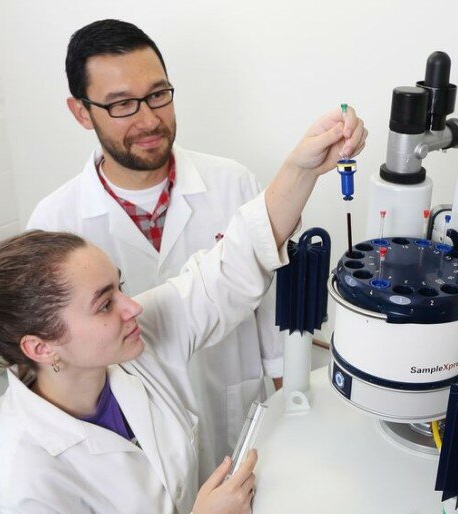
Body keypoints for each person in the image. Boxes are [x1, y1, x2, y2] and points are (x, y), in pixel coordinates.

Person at [0, 108, 366, 514]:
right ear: (41, 348)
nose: (130, 305)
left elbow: (225, 270)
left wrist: (303, 166)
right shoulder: (25, 485)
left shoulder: (124, 354)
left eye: (118, 286)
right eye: (105, 303)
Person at [27, 19, 283, 481]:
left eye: (158, 94)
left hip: (235, 408)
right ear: (82, 112)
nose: (149, 119)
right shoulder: (54, 221)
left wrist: (288, 410)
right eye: (122, 104)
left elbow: (273, 320)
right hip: (134, 444)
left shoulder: (233, 183)